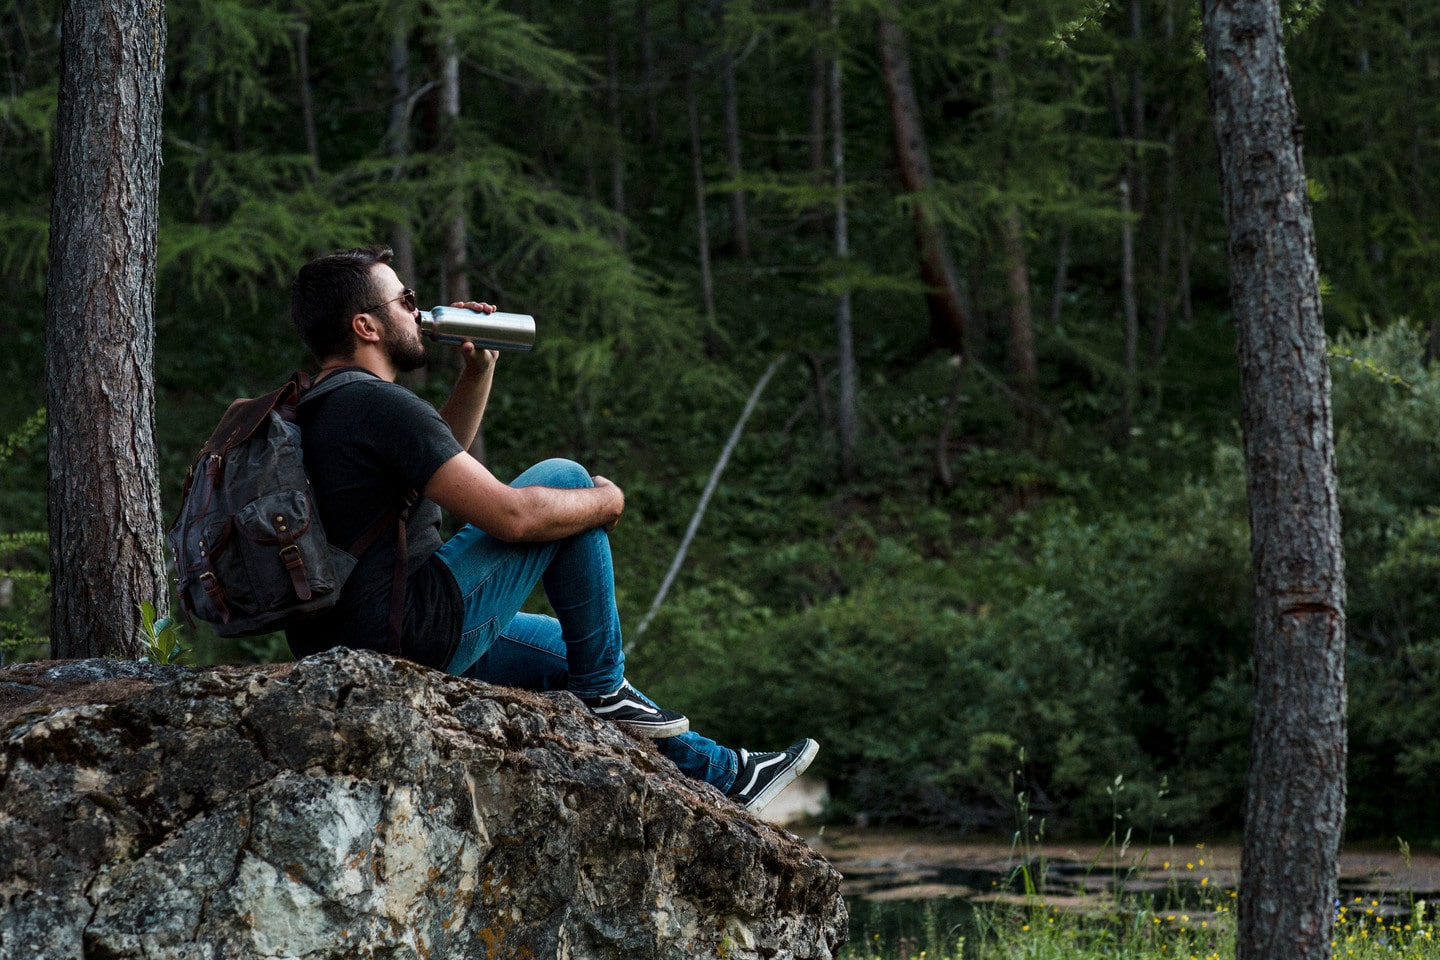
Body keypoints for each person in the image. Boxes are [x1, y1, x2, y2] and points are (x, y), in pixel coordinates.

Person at [285, 245, 816, 814]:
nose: (418, 311)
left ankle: (725, 774)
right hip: (404, 632)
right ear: (365, 325)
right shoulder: (380, 405)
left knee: (574, 647)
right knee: (566, 481)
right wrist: (606, 500)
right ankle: (604, 691)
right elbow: (513, 517)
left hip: (348, 640)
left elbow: (432, 455)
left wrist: (479, 369)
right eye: (405, 300)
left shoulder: (323, 402)